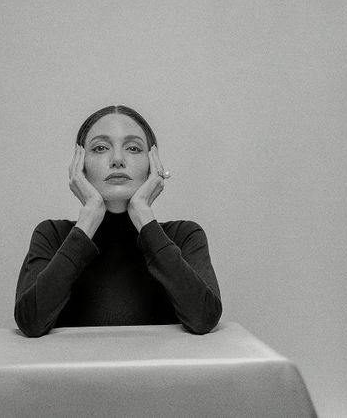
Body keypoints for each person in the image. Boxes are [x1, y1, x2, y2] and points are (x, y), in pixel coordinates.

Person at [14, 106, 222, 337]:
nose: (117, 160)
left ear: (153, 165)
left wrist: (144, 216)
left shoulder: (184, 235)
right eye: (100, 148)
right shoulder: (52, 235)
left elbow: (204, 318)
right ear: (79, 166)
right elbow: (30, 322)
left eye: (133, 148)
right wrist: (88, 221)